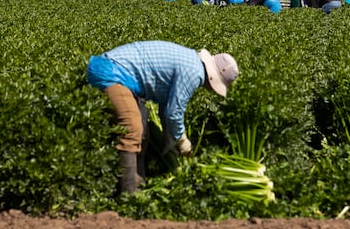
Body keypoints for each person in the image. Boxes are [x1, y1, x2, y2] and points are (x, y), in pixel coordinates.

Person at [85, 41, 239, 194]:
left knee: (144, 134)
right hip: (111, 73)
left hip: (122, 77)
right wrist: (181, 140)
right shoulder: (194, 72)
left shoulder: (191, 62)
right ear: (213, 78)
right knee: (132, 130)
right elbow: (174, 112)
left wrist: (169, 137)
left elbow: (166, 108)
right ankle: (128, 194)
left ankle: (139, 185)